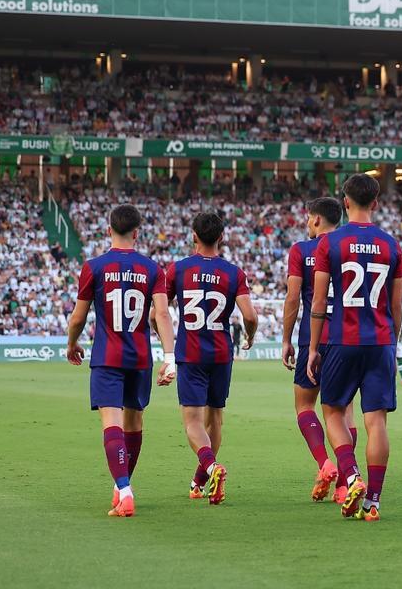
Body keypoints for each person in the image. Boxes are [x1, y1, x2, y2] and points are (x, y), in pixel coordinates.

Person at [65, 203, 177, 518]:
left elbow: (78, 317)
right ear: (137, 233)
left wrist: (72, 344)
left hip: (107, 356)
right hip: (140, 356)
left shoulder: (94, 266)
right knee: (135, 424)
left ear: (108, 229)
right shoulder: (154, 268)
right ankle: (122, 484)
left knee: (111, 424)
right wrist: (170, 358)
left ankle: (125, 491)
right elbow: (163, 314)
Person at [306, 173, 402, 522]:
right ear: (375, 203)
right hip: (379, 340)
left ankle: (351, 476)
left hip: (342, 339)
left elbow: (319, 301)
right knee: (376, 421)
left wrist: (314, 348)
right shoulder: (392, 245)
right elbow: (397, 307)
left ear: (345, 202)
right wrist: (391, 343)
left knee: (333, 411)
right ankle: (374, 502)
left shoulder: (329, 243)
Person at [166, 212, 258, 505]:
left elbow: (160, 308)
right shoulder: (233, 272)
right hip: (220, 353)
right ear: (221, 237)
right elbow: (250, 316)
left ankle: (211, 466)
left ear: (193, 235)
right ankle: (199, 481)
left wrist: (161, 334)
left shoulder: (178, 270)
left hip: (191, 352)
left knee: (193, 421)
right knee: (215, 418)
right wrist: (249, 336)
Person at [281, 197, 347, 502]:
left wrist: (286, 339)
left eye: (309, 218)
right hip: (347, 337)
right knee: (344, 413)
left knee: (305, 406)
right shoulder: (348, 247)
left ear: (317, 219)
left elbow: (294, 297)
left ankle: (324, 464)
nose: (308, 223)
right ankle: (345, 483)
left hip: (313, 336)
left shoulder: (302, 250)